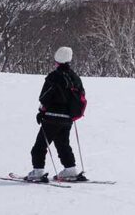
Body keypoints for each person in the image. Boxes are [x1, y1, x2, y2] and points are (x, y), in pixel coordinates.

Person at [27, 46, 87, 182]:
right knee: (63, 144)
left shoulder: (54, 77)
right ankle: (70, 170)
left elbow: (45, 97)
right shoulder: (75, 78)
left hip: (51, 118)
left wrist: (41, 112)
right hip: (68, 119)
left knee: (40, 145)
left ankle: (38, 171)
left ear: (57, 60)